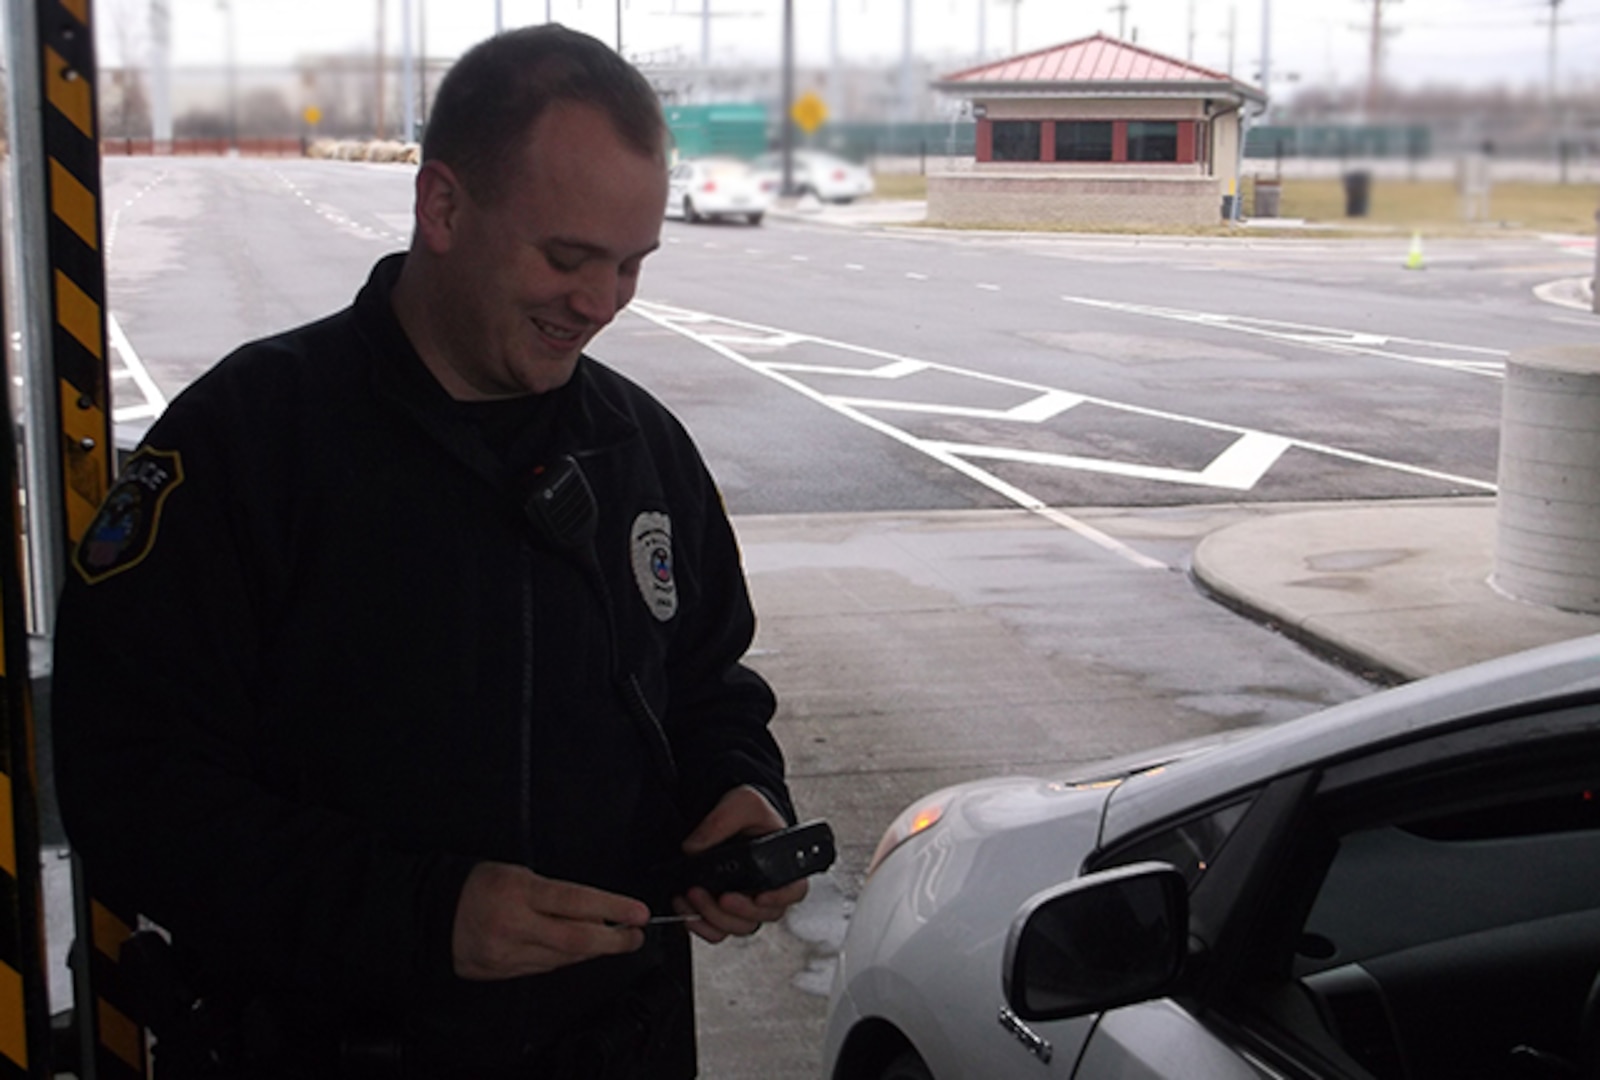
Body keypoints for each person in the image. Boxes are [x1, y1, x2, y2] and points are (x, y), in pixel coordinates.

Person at [52, 23, 804, 1079]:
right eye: (566, 257)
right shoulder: (246, 444)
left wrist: (739, 792)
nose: (601, 305)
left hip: (617, 1043)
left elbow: (705, 683)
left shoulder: (639, 450)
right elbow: (129, 786)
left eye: (632, 264)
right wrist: (422, 916)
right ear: (442, 207)